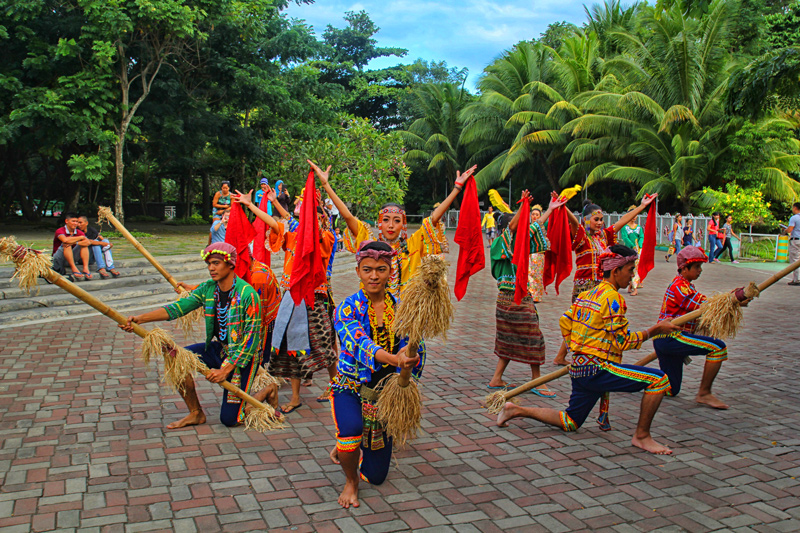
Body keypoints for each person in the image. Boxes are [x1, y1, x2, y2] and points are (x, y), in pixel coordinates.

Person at [497, 245, 680, 455]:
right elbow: (623, 341)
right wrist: (656, 329)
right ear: (616, 270)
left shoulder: (588, 293)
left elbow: (565, 320)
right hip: (597, 369)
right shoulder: (612, 298)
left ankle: (515, 409)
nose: (632, 276)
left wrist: (577, 349)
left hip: (581, 369)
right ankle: (642, 436)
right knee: (659, 380)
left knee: (571, 421)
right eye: (630, 270)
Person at [119, 243, 278, 429]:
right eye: (209, 264)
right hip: (220, 349)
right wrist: (139, 319)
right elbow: (178, 308)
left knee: (231, 420)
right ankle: (196, 413)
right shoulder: (209, 288)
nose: (211, 268)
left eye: (216, 263)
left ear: (231, 265)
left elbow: (251, 340)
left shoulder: (247, 294)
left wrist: (225, 370)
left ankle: (268, 390)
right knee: (176, 358)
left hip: (242, 358)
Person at [329, 240, 423, 509]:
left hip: (384, 395)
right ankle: (350, 481)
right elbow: (358, 343)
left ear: (390, 271)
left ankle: (351, 448)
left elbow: (415, 344)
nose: (374, 276)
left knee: (377, 476)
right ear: (358, 270)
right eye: (367, 269)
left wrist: (409, 353)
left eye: (381, 270)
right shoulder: (347, 308)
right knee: (351, 434)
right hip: (350, 387)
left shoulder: (402, 307)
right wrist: (394, 358)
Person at [235, 182, 338, 414]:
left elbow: (304, 230)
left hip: (315, 297)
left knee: (324, 344)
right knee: (292, 347)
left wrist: (273, 203)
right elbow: (275, 223)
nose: (298, 208)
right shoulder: (293, 234)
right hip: (291, 297)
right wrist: (252, 205)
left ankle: (336, 386)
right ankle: (295, 396)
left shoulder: (325, 237)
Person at [314, 159, 477, 298]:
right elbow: (348, 217)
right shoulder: (368, 244)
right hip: (372, 317)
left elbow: (433, 219)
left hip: (404, 317)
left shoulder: (412, 246)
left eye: (396, 221)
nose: (391, 225)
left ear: (403, 225)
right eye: (386, 220)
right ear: (379, 223)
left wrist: (457, 188)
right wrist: (326, 185)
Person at [552, 194, 657, 367]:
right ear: (587, 221)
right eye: (596, 219)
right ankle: (572, 354)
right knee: (579, 321)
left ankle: (571, 354)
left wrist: (642, 206)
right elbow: (575, 223)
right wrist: (564, 206)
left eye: (601, 219)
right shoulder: (582, 238)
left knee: (588, 322)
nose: (600, 222)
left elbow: (622, 221)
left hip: (600, 287)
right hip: (584, 287)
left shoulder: (604, 237)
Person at [488, 193, 565, 395]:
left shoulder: (518, 244)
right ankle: (536, 381)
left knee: (508, 339)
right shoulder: (500, 243)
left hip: (509, 300)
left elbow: (534, 227)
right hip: (515, 298)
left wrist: (550, 209)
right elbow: (515, 228)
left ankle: (496, 378)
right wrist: (524, 207)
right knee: (533, 337)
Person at [653, 246, 731, 410]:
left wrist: (733, 300)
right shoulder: (680, 287)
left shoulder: (685, 285)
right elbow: (706, 305)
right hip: (671, 337)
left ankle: (635, 381)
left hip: (664, 341)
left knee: (670, 389)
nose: (700, 271)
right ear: (684, 268)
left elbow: (706, 304)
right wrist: (733, 300)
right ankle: (704, 393)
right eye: (697, 267)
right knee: (718, 347)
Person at [52, 213, 91, 281]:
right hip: (58, 259)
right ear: (67, 221)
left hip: (71, 257)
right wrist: (80, 238)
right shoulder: (60, 230)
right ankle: (73, 268)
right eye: (73, 221)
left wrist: (75, 242)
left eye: (77, 221)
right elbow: (65, 240)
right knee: (67, 244)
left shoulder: (79, 232)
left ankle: (85, 268)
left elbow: (88, 242)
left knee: (84, 245)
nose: (75, 223)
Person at [619, 205, 644, 296]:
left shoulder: (639, 227)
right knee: (629, 268)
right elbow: (625, 238)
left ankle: (635, 288)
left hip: (638, 251)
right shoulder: (624, 227)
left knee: (636, 269)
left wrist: (639, 245)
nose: (634, 217)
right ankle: (630, 285)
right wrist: (632, 246)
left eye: (636, 215)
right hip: (629, 251)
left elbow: (641, 236)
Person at [527, 205, 546, 302]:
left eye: (537, 215)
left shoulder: (541, 227)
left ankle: (537, 295)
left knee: (538, 275)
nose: (534, 216)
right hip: (532, 254)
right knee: (531, 274)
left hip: (540, 255)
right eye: (533, 214)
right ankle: (532, 294)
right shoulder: (530, 227)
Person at [784, 202, 800, 285]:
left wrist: (785, 230)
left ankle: (796, 279)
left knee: (795, 260)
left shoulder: (794, 218)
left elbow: (790, 230)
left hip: (796, 240)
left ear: (795, 208)